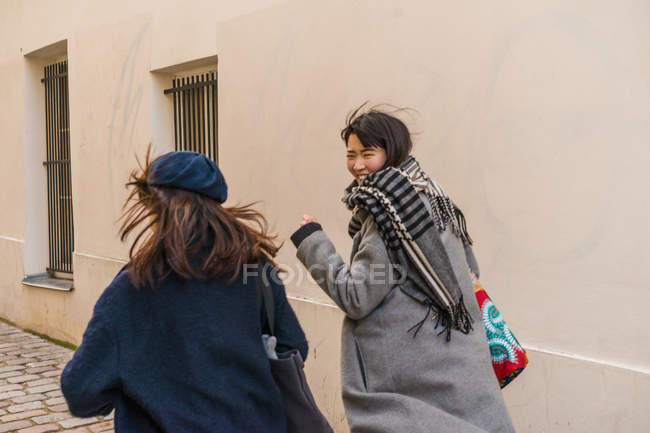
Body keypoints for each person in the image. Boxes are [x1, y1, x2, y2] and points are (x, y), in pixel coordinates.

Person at [291, 105, 516, 433]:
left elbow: (358, 295)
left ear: (391, 150)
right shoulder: (432, 193)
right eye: (350, 154)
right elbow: (470, 269)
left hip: (409, 372)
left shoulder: (389, 209)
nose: (356, 165)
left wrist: (313, 242)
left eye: (368, 153)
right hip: (456, 361)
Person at [61, 150, 308, 433]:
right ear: (217, 207)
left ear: (153, 207)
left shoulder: (133, 288)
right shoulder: (256, 268)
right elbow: (294, 346)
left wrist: (143, 383)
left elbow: (81, 392)